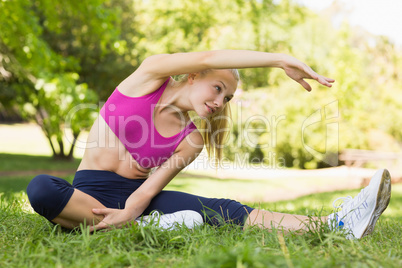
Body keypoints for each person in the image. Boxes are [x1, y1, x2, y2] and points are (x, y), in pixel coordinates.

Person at [27, 50, 391, 238]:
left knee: (224, 209)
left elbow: (150, 187)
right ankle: (145, 227)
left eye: (228, 97)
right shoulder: (148, 77)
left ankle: (334, 224)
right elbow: (211, 56)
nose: (220, 101)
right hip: (89, 192)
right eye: (217, 88)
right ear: (193, 75)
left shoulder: (192, 139)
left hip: (139, 198)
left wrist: (131, 210)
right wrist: (278, 60)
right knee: (41, 188)